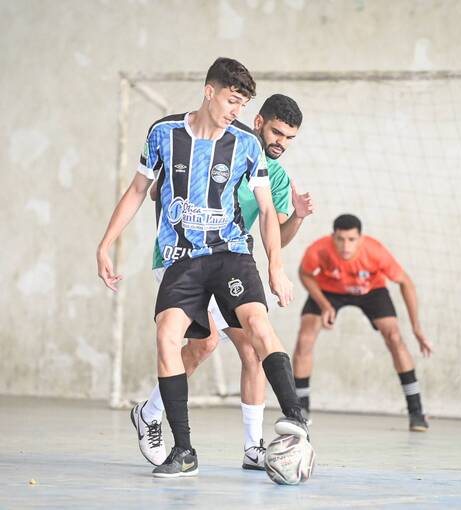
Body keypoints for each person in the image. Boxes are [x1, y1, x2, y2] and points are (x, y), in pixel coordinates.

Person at [97, 57, 308, 479]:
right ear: (209, 91)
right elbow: (138, 189)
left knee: (256, 329)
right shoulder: (163, 133)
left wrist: (276, 267)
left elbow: (268, 211)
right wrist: (105, 245)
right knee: (174, 337)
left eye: (243, 104)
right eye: (232, 101)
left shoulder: (246, 144)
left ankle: (295, 420)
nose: (236, 111)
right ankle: (182, 448)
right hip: (180, 257)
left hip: (230, 253)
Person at [292, 213, 433, 431]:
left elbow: (406, 283)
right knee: (304, 339)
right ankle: (300, 410)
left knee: (394, 337)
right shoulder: (319, 249)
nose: (345, 246)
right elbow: (305, 273)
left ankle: (416, 411)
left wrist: (417, 328)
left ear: (360, 238)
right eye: (340, 239)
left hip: (371, 291)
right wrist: (325, 305)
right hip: (329, 290)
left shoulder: (375, 251)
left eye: (351, 240)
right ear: (333, 237)